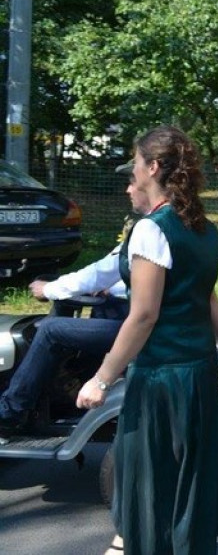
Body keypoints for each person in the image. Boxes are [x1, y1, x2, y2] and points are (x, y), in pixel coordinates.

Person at [76, 126, 218, 555]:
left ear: (152, 167)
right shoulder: (203, 228)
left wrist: (101, 379)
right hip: (198, 372)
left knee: (153, 482)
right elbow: (206, 294)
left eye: (135, 163)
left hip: (161, 380)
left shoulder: (153, 229)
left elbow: (144, 315)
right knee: (187, 484)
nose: (132, 172)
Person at [0, 166, 146, 432]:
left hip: (142, 328)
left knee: (50, 330)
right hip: (155, 322)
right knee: (97, 310)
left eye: (132, 181)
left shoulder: (149, 230)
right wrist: (110, 288)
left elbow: (102, 272)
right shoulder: (183, 226)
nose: (128, 189)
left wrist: (50, 289)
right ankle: (70, 394)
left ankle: (10, 411)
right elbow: (118, 271)